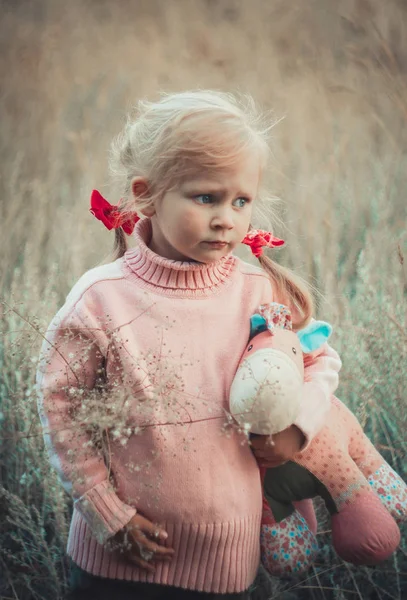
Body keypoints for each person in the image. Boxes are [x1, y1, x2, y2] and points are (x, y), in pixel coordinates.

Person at [36, 90, 342, 600]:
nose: (227, 218)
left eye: (240, 201)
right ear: (147, 195)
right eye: (206, 198)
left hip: (227, 563)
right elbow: (60, 406)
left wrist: (299, 428)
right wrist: (106, 513)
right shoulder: (101, 299)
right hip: (117, 563)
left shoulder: (256, 292)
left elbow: (316, 361)